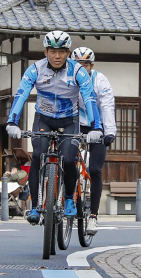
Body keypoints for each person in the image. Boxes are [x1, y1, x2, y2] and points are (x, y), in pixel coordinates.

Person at [6, 30, 102, 225]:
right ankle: (34, 207)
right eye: (52, 51)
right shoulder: (34, 70)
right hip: (43, 118)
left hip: (69, 120)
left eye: (61, 52)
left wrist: (96, 126)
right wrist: (12, 122)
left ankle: (68, 199)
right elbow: (21, 95)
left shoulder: (78, 71)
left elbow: (89, 98)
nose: (57, 56)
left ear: (68, 53)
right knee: (38, 156)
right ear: (45, 51)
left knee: (68, 160)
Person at [72, 46, 117, 236]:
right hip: (74, 124)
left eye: (86, 65)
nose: (82, 68)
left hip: (96, 125)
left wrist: (110, 132)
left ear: (92, 65)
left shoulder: (100, 80)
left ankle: (93, 216)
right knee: (67, 161)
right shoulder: (67, 79)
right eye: (78, 65)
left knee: (96, 170)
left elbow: (107, 105)